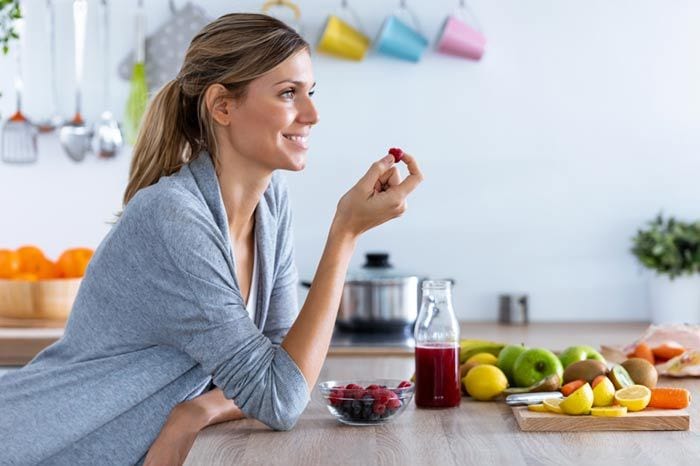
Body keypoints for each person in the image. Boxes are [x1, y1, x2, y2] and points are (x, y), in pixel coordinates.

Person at [0, 13, 422, 465]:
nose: (312, 115)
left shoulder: (271, 203)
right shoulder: (173, 219)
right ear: (222, 106)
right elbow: (279, 398)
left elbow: (282, 369)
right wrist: (345, 233)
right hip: (46, 447)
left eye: (310, 92)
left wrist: (197, 410)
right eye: (287, 93)